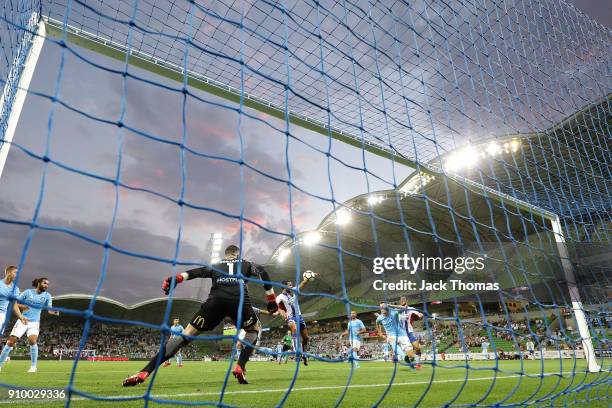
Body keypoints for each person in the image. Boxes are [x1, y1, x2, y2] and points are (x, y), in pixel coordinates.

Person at [123, 245, 278, 386]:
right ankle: (240, 366)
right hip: (240, 300)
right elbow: (263, 272)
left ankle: (145, 371)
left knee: (185, 335)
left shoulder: (216, 265)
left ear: (226, 255)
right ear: (237, 254)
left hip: (215, 302)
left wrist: (178, 278)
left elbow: (197, 272)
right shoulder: (246, 263)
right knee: (253, 330)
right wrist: (271, 300)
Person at [0, 277, 58, 373]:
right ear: (39, 283)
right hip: (23, 320)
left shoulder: (47, 295)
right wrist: (23, 306)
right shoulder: (28, 292)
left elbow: (49, 309)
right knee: (10, 342)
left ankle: (33, 367)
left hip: (35, 322)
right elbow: (14, 302)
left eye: (47, 284)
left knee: (32, 341)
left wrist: (54, 312)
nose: (46, 285)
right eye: (44, 283)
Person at [276, 274, 317, 366]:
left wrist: (307, 278)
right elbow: (277, 307)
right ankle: (297, 352)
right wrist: (282, 312)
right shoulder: (279, 297)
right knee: (294, 329)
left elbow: (301, 285)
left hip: (300, 317)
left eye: (291, 285)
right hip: (290, 317)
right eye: (289, 285)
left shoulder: (293, 292)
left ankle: (304, 355)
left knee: (306, 338)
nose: (291, 286)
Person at [376, 302, 415, 368]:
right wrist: (380, 333)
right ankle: (404, 356)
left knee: (411, 356)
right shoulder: (380, 318)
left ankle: (411, 362)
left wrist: (391, 305)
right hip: (391, 335)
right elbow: (377, 323)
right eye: (381, 308)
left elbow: (405, 308)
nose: (382, 309)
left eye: (383, 307)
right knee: (391, 340)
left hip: (402, 335)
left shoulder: (394, 312)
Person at [390, 296, 424, 368]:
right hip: (401, 333)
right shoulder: (397, 310)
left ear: (407, 301)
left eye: (404, 299)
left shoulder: (411, 309)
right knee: (394, 343)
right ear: (400, 302)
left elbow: (418, 313)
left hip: (409, 332)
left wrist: (420, 315)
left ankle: (418, 363)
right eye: (401, 300)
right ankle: (394, 355)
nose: (402, 301)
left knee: (417, 347)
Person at [0, 266, 27, 334]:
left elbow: (14, 304)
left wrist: (21, 317)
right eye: (15, 272)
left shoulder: (15, 289)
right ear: (8, 273)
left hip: (2, 315)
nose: (17, 275)